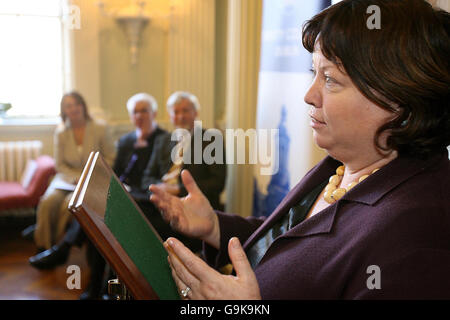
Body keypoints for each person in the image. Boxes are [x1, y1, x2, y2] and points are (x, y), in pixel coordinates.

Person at [149, 0, 450, 299]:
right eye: (314, 73)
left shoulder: (419, 229)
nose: (309, 95)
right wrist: (214, 226)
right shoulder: (339, 165)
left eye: (330, 79)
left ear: (399, 98)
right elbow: (291, 242)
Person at [26, 91, 115, 253]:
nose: (73, 109)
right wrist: (75, 177)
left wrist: (88, 176)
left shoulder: (100, 128)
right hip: (67, 178)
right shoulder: (61, 132)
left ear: (83, 106)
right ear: (64, 110)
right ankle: (43, 245)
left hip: (93, 178)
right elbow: (59, 164)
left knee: (68, 205)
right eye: (69, 106)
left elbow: (110, 158)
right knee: (48, 202)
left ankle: (58, 246)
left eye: (77, 104)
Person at [142, 91, 227, 251]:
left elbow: (217, 183)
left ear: (196, 113)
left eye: (185, 111)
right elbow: (147, 177)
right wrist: (160, 189)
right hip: (161, 205)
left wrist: (177, 189)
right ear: (170, 115)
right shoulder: (162, 140)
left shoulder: (211, 140)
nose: (181, 116)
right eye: (176, 112)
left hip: (192, 209)